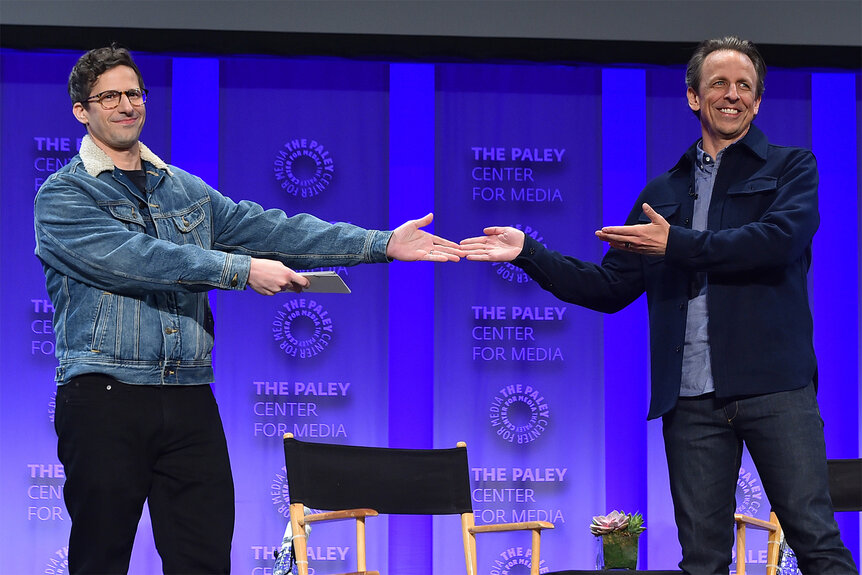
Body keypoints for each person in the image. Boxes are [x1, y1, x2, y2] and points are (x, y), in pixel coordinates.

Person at [34, 45, 463, 575]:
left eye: (135, 92)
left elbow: (271, 230)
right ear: (83, 110)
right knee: (101, 556)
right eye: (110, 96)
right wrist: (241, 271)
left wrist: (380, 243)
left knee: (204, 557)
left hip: (189, 395)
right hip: (105, 394)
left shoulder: (183, 189)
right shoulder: (62, 195)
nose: (127, 105)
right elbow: (137, 260)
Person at [461, 36, 857, 574]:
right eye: (719, 83)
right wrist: (529, 253)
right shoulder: (663, 192)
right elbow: (609, 287)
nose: (733, 95)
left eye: (745, 86)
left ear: (758, 101)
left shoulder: (791, 169)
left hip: (776, 389)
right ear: (694, 97)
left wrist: (677, 244)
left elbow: (776, 242)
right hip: (690, 401)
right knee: (701, 560)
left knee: (815, 541)